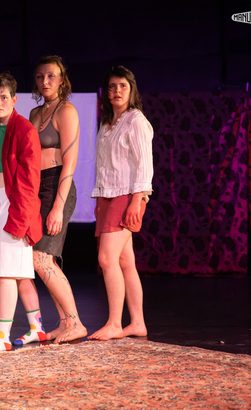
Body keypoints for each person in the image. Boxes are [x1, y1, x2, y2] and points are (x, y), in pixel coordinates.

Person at [15, 56, 88, 345]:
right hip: (36, 188)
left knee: (40, 258)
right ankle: (64, 322)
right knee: (46, 259)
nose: (45, 82)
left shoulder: (66, 110)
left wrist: (58, 206)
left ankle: (76, 322)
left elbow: (70, 162)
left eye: (51, 76)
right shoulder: (35, 113)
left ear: (62, 80)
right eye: (40, 76)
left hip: (58, 185)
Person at [0, 72, 42, 354]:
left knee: (6, 272)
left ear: (14, 99)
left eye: (3, 97)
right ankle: (36, 327)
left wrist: (19, 219)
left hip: (14, 205)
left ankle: (1, 336)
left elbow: (29, 181)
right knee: (19, 272)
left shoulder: (25, 130)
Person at [88, 65, 153, 341]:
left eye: (123, 86)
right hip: (108, 195)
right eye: (112, 87)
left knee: (106, 258)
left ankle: (115, 323)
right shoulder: (106, 124)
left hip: (126, 196)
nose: (117, 91)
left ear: (131, 90)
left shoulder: (135, 120)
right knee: (126, 262)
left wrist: (137, 200)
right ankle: (137, 322)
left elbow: (144, 164)